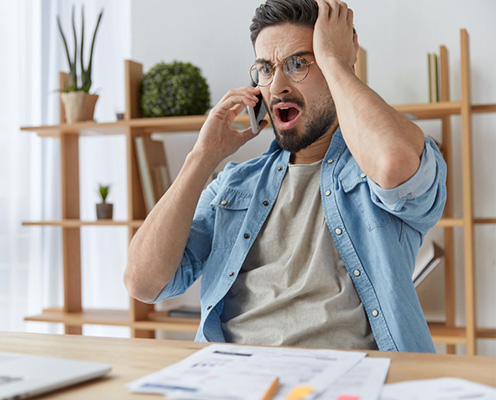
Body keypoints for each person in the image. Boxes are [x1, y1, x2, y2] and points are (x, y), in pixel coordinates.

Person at [124, 0, 446, 353]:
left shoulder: (378, 167)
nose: (277, 87)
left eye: (298, 64)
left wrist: (337, 62)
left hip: (346, 379)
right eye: (265, 69)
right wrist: (202, 157)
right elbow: (143, 283)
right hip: (234, 377)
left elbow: (393, 162)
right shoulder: (235, 184)